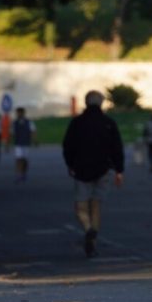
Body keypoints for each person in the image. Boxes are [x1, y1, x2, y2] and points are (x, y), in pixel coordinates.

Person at [62, 90, 124, 258]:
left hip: (81, 170)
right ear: (101, 103)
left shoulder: (77, 123)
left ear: (86, 102)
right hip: (103, 169)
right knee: (96, 206)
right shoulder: (108, 123)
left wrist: (70, 164)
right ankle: (93, 244)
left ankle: (88, 229)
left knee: (80, 207)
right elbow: (117, 148)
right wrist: (119, 170)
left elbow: (67, 145)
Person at [12, 106, 35, 182]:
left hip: (26, 143)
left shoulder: (28, 122)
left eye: (20, 112)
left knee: (25, 159)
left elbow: (32, 131)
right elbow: (12, 133)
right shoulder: (15, 123)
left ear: (23, 113)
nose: (19, 114)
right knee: (18, 159)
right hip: (18, 143)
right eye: (18, 113)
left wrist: (33, 140)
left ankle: (23, 173)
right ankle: (19, 174)